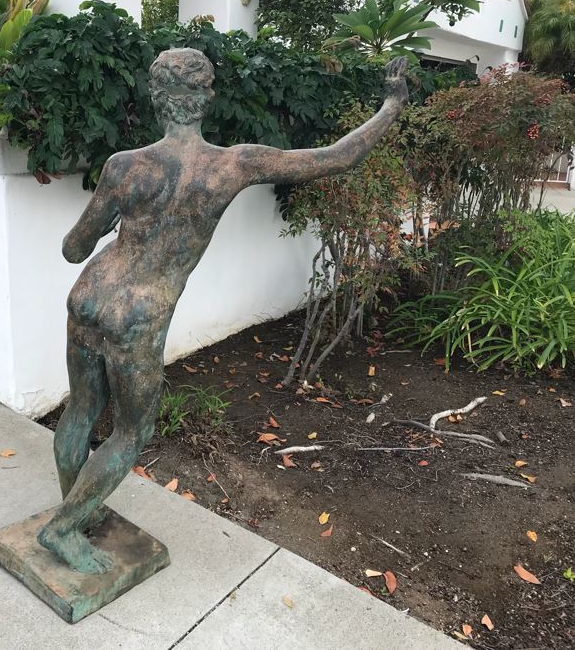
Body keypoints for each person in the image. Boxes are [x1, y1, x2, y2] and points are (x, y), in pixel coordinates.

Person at [37, 48, 409, 573]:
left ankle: (76, 510)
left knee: (81, 410)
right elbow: (338, 156)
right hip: (139, 314)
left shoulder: (123, 167)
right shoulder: (233, 164)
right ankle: (65, 527)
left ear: (157, 97)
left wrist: (121, 228)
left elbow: (74, 248)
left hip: (90, 295)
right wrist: (391, 106)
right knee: (132, 432)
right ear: (205, 98)